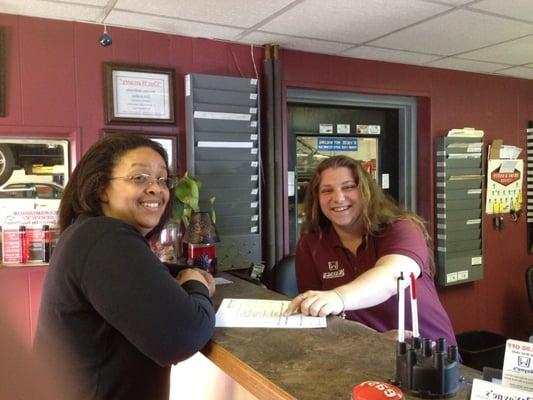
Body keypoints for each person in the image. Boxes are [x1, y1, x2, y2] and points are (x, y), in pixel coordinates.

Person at [33, 133, 216, 400]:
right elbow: (185, 336)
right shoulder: (104, 238)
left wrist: (185, 275)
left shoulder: (90, 233)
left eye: (162, 179)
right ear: (101, 188)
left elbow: (147, 278)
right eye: (139, 177)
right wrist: (196, 285)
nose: (156, 188)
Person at [283, 155, 457, 345]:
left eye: (348, 187)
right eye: (327, 190)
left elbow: (393, 276)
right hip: (362, 353)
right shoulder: (311, 245)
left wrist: (338, 297)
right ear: (317, 198)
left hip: (428, 355)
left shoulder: (401, 228)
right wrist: (371, 339)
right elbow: (318, 315)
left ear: (366, 191)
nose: (338, 198)